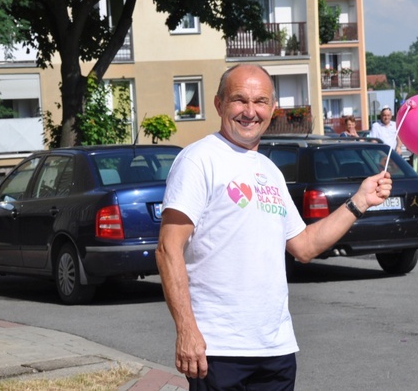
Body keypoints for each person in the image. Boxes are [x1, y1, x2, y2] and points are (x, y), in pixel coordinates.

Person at [156, 64, 392, 390]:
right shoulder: (199, 160)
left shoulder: (270, 171)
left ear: (271, 109)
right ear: (218, 104)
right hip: (220, 349)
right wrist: (186, 330)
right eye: (239, 100)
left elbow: (304, 246)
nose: (250, 111)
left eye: (260, 101)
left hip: (276, 348)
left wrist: (360, 201)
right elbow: (168, 248)